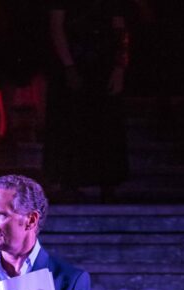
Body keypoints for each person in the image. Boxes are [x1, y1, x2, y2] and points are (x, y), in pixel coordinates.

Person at [43, 0, 129, 200]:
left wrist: (119, 67)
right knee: (72, 121)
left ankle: (107, 180)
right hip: (74, 62)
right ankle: (69, 180)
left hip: (102, 65)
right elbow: (56, 27)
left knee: (106, 123)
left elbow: (120, 30)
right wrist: (69, 66)